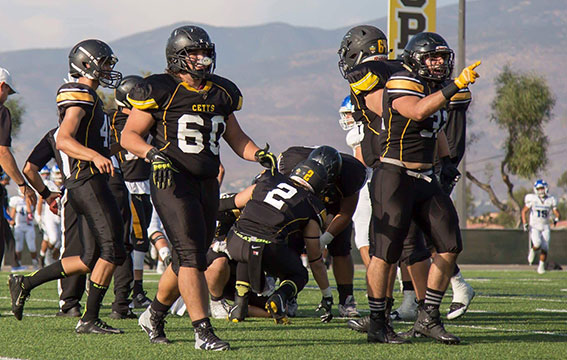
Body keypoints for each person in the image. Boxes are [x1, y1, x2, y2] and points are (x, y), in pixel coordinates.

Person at [121, 25, 276, 350]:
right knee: (191, 255)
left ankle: (154, 314)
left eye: (205, 52)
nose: (202, 58)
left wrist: (258, 155)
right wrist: (153, 154)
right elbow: (129, 136)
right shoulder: (160, 88)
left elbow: (236, 137)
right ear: (177, 56)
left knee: (187, 258)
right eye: (194, 52)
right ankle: (202, 331)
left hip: (206, 183)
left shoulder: (222, 92)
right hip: (171, 180)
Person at [364, 31, 480, 344]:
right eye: (433, 57)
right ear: (416, 59)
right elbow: (417, 111)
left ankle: (428, 318)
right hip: (395, 175)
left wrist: (446, 162)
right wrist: (454, 86)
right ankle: (377, 322)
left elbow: (436, 127)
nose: (439, 63)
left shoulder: (435, 89)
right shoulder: (403, 80)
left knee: (450, 244)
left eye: (443, 57)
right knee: (386, 252)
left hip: (427, 178)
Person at [9, 39, 127, 334]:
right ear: (86, 64)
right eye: (106, 62)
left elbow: (91, 142)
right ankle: (88, 319)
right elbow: (64, 139)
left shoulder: (92, 97)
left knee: (89, 259)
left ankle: (26, 282)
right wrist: (95, 155)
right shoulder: (79, 94)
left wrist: (120, 145)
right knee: (113, 251)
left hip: (84, 183)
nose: (110, 68)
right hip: (87, 182)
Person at [224, 160, 329, 324]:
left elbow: (234, 201)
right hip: (269, 248)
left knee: (246, 251)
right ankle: (280, 297)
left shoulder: (270, 178)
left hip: (236, 240)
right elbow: (314, 256)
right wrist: (327, 295)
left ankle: (239, 305)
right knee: (299, 274)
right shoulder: (312, 205)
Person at [278, 145, 366, 319]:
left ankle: (346, 299)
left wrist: (324, 239)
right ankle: (289, 296)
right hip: (303, 203)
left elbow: (346, 212)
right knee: (292, 246)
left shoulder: (351, 173)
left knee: (341, 247)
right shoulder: (292, 163)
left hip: (334, 206)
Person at [22, 128, 86, 317]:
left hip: (76, 192)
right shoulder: (100, 121)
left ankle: (70, 302)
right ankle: (122, 302)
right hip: (104, 191)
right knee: (111, 249)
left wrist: (46, 195)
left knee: (79, 249)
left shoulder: (56, 134)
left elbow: (28, 169)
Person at [110, 75, 153, 308]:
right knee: (136, 240)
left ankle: (134, 290)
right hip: (128, 185)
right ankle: (134, 291)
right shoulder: (115, 119)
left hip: (142, 184)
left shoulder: (122, 119)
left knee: (139, 240)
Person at [0, 67, 37, 267]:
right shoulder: (1, 111)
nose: (7, 97)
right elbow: (3, 153)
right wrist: (23, 186)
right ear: (2, 86)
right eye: (8, 92)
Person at [522, 179, 561, 274]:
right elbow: (524, 211)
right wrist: (524, 223)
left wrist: (557, 218)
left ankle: (541, 266)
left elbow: (556, 211)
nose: (540, 191)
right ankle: (533, 250)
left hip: (545, 225)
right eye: (538, 189)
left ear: (546, 188)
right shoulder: (532, 199)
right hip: (534, 225)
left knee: (545, 247)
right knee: (537, 243)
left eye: (542, 188)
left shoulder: (551, 199)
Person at [8, 192, 38, 269]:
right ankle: (19, 264)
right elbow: (12, 213)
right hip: (19, 226)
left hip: (29, 226)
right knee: (18, 246)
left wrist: (28, 200)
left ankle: (35, 263)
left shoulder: (32, 200)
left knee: (32, 246)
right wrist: (11, 222)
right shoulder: (16, 200)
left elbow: (30, 213)